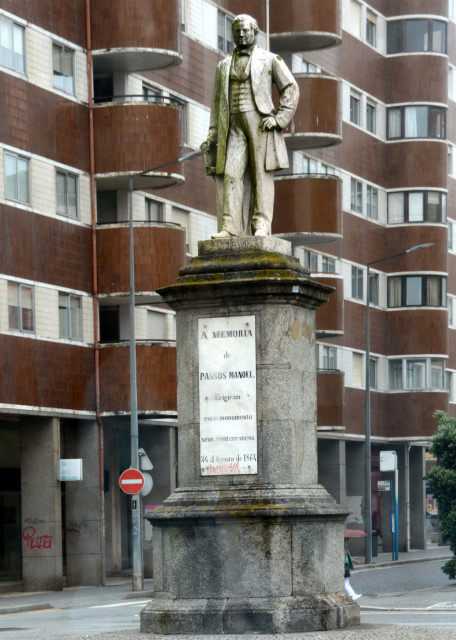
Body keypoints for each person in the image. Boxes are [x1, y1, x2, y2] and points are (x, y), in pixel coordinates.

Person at [202, 14, 299, 238]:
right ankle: (230, 227)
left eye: (246, 30)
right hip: (232, 127)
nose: (241, 34)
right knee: (231, 174)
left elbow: (290, 88)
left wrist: (280, 118)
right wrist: (213, 135)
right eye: (237, 31)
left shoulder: (269, 59)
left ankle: (261, 225)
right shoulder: (223, 66)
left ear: (255, 32)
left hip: (260, 124)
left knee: (261, 175)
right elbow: (217, 104)